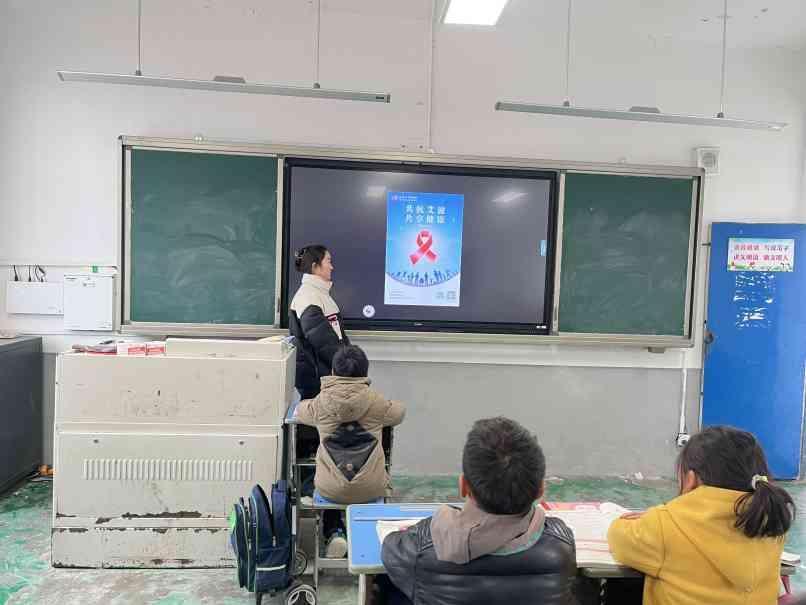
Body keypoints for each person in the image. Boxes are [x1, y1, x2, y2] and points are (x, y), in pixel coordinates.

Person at [380, 417, 576, 605]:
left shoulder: (424, 544)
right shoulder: (561, 543)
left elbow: (390, 547)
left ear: (463, 486)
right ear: (541, 490)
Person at [608, 425, 795, 605]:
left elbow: (619, 538)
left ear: (691, 479)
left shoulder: (667, 524)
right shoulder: (771, 520)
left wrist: (655, 515)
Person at [296, 345, 406, 558]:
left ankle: (335, 533)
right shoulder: (376, 402)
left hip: (330, 489)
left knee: (331, 485)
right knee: (361, 490)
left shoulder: (320, 402)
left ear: (333, 371)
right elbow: (399, 412)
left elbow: (300, 411)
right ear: (365, 372)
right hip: (371, 488)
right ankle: (369, 539)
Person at [289, 245, 349, 400]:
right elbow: (323, 341)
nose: (332, 267)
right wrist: (347, 365)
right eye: (328, 261)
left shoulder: (319, 294)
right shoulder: (308, 296)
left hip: (324, 376)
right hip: (317, 380)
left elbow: (336, 336)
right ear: (315, 267)